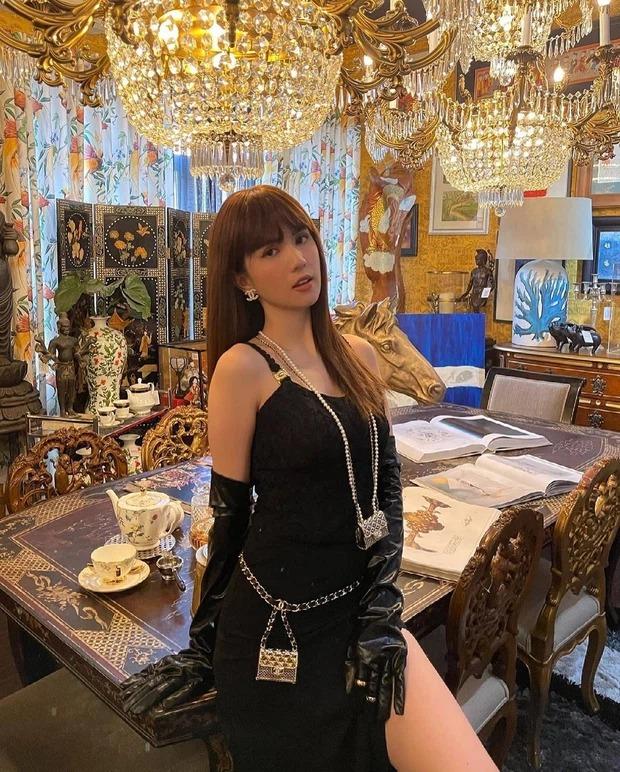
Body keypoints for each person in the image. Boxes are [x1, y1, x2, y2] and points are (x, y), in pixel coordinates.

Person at [121, 186, 496, 772]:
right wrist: (203, 642)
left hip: (360, 612)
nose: (299, 258)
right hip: (276, 629)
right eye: (270, 251)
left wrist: (381, 610)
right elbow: (229, 519)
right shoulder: (242, 369)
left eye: (301, 238)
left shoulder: (359, 356)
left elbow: (386, 488)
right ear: (242, 278)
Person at [457, 248, 495, 313]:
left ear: (483, 259)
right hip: (474, 295)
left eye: (478, 259)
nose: (476, 260)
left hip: (482, 296)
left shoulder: (487, 271)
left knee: (480, 311)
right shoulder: (474, 271)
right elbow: (469, 286)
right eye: (476, 259)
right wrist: (462, 297)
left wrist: (484, 295)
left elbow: (492, 285)